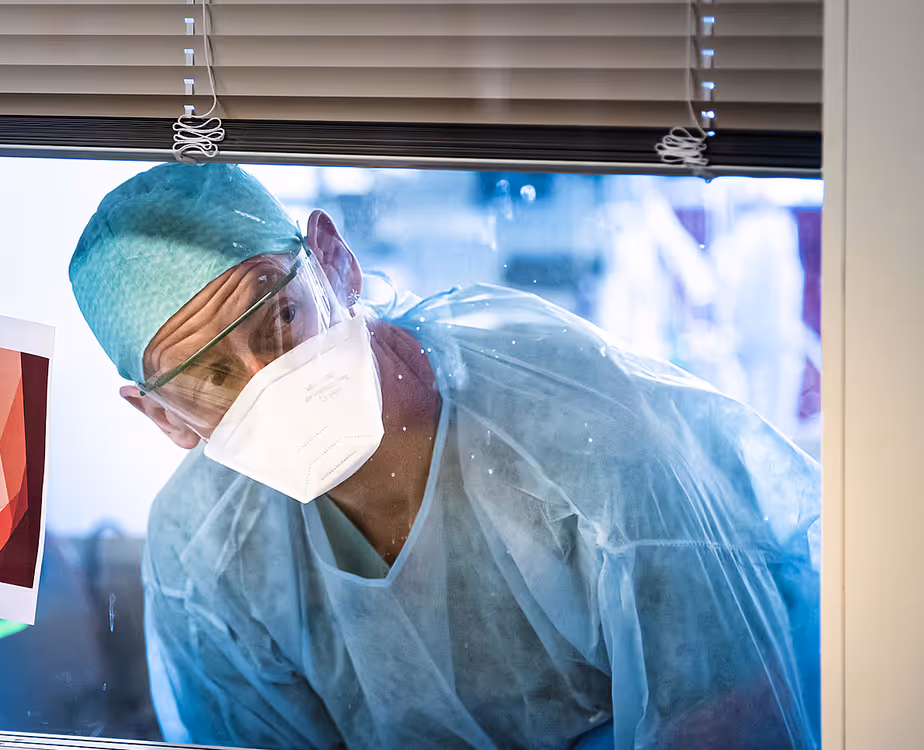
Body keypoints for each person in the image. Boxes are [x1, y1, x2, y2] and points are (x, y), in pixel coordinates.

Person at [67, 163, 820, 750]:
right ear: (163, 418)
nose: (271, 381)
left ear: (334, 262)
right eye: (211, 378)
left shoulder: (577, 425)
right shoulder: (206, 556)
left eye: (279, 316)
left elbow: (729, 711)